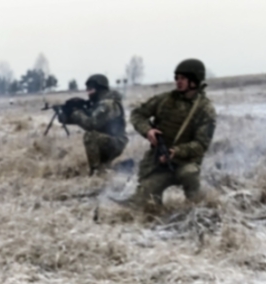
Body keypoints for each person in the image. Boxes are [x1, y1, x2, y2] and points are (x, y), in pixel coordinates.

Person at [127, 58, 217, 206]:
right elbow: (137, 114)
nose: (178, 81)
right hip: (159, 162)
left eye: (183, 78)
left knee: (189, 174)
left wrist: (177, 151)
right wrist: (148, 130)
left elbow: (201, 144)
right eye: (177, 78)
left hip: (186, 162)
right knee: (144, 202)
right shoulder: (165, 99)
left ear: (194, 81)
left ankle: (195, 208)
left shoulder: (205, 109)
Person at [64, 74, 127, 175]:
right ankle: (117, 168)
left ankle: (95, 172)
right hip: (106, 139)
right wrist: (66, 116)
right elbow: (85, 119)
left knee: (90, 136)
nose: (88, 92)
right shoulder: (98, 103)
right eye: (87, 89)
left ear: (100, 89)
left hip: (116, 142)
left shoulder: (108, 104)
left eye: (91, 89)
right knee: (106, 167)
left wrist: (76, 113)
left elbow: (91, 123)